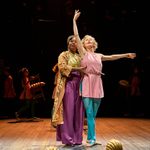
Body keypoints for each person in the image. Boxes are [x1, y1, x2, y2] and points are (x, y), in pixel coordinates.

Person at [73, 10, 136, 146]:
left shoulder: (99, 55)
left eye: (91, 40)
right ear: (83, 45)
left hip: (97, 83)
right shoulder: (83, 53)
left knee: (93, 115)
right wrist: (74, 20)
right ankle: (91, 139)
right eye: (87, 40)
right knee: (89, 113)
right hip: (87, 82)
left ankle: (90, 136)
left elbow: (112, 57)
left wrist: (126, 55)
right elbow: (77, 36)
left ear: (94, 44)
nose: (89, 41)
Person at [52, 35, 85, 146]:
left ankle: (77, 138)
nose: (73, 43)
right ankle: (67, 138)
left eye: (76, 41)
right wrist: (77, 69)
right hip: (68, 83)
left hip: (79, 84)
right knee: (68, 111)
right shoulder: (63, 54)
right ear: (68, 43)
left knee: (78, 112)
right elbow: (62, 67)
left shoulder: (80, 56)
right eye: (71, 40)